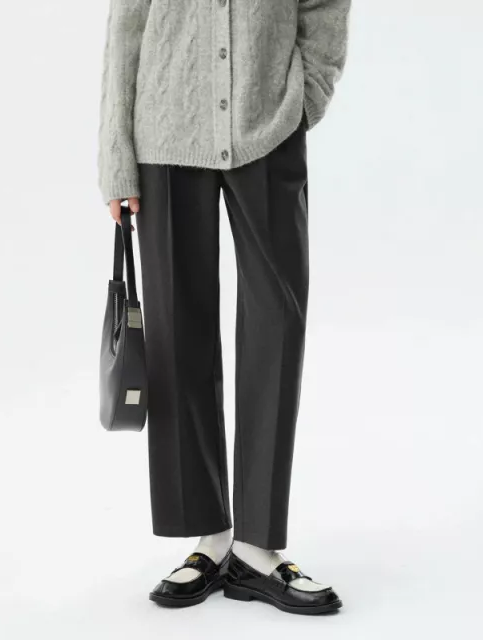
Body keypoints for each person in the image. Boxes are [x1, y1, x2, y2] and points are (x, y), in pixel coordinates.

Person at [98, 0, 352, 616]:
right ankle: (209, 536)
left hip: (268, 125)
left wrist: (305, 97)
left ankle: (257, 547)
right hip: (165, 129)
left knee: (277, 323)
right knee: (175, 332)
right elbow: (127, 22)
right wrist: (116, 157)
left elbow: (324, 7)